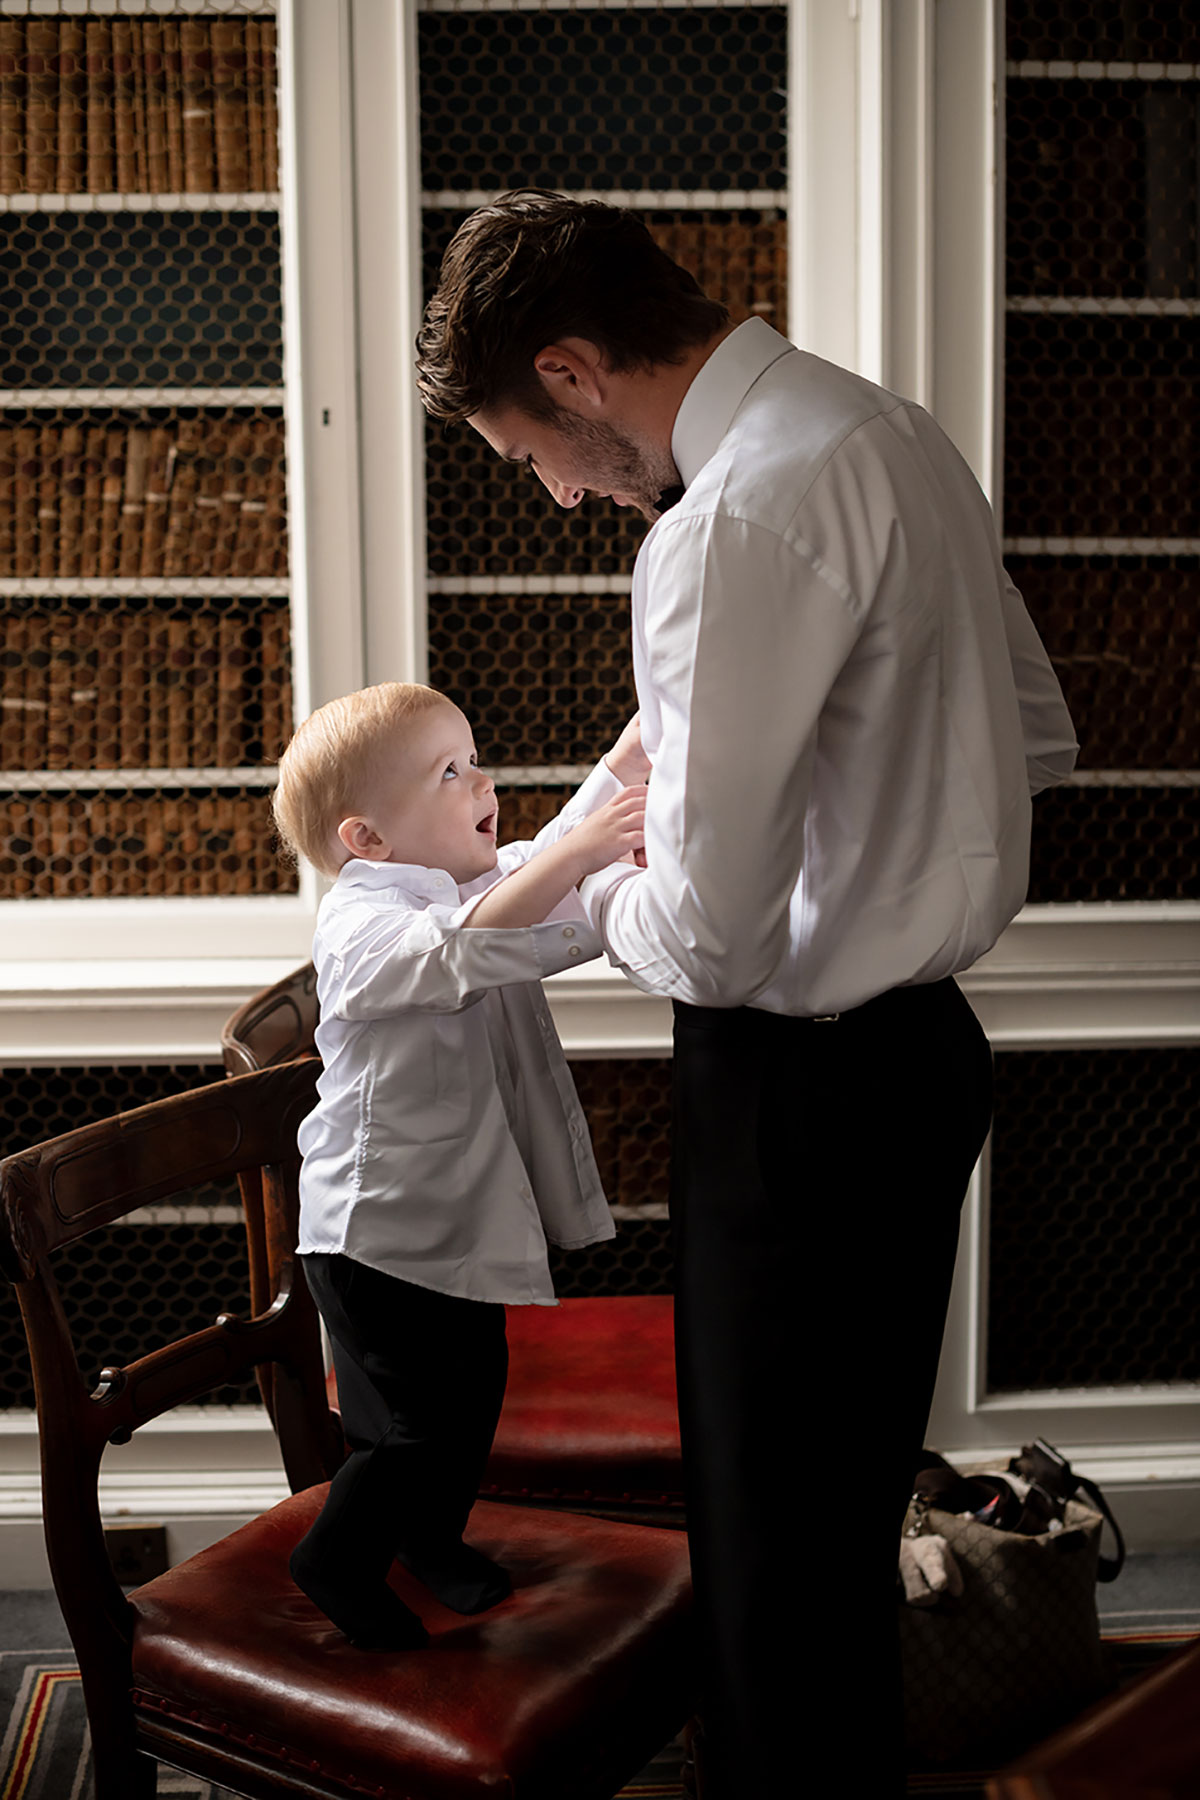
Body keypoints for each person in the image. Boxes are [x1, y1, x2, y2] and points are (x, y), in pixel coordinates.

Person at [416, 191, 1078, 1793]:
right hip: (926, 1062)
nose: (568, 495)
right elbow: (1041, 732)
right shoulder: (891, 431)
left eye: (536, 455)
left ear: (571, 372)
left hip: (797, 1093)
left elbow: (708, 939)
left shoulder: (720, 525)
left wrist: (582, 872)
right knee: (838, 1535)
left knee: (774, 1577)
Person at [271, 680, 647, 1651]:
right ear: (368, 841)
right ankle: (338, 1557)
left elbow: (553, 848)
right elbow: (458, 952)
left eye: (473, 757)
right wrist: (576, 854)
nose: (485, 780)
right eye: (451, 772)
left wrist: (647, 734)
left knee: (469, 1393)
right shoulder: (361, 928)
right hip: (371, 1234)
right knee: (415, 1423)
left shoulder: (454, 879)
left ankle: (427, 1539)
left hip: (436, 1228)